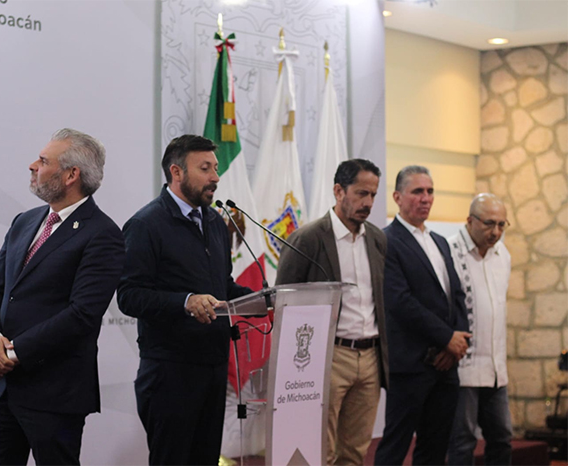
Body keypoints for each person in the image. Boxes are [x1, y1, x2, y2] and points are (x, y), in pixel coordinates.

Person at [0, 128, 125, 465]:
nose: (33, 166)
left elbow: (82, 315)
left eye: (43, 161)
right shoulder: (24, 221)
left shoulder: (103, 234)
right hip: (2, 389)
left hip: (56, 394)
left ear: (71, 175)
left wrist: (14, 351)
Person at [116, 134, 252, 465]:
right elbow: (129, 296)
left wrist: (263, 299)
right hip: (170, 373)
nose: (215, 177)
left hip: (213, 369)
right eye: (205, 168)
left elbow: (222, 287)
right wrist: (186, 301)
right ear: (176, 172)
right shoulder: (146, 224)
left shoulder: (215, 222)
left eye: (215, 168)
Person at [275, 159, 388, 465]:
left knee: (355, 451)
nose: (368, 203)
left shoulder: (377, 239)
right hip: (328, 356)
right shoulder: (309, 238)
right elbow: (283, 302)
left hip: (370, 357)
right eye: (361, 193)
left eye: (373, 195)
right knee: (318, 449)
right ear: (339, 191)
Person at [374, 165, 470, 466]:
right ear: (397, 197)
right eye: (417, 191)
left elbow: (457, 295)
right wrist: (446, 338)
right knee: (395, 447)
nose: (425, 198)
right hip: (410, 364)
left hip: (446, 364)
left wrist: (456, 345)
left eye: (430, 191)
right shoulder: (387, 240)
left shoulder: (440, 241)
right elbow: (399, 301)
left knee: (435, 448)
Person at [447, 194, 513, 465]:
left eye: (501, 224)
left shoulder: (503, 255)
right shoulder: (449, 251)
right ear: (470, 220)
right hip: (464, 368)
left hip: (496, 369)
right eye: (488, 223)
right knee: (462, 442)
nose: (495, 232)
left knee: (502, 438)